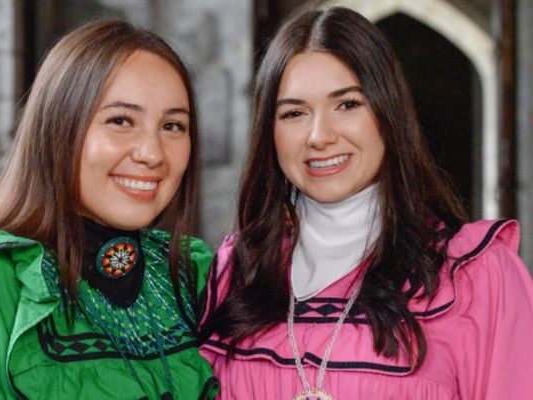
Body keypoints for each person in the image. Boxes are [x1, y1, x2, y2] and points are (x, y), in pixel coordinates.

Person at [199, 5, 533, 399]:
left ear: (387, 114)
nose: (318, 135)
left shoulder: (475, 278)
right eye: (294, 113)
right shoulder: (235, 271)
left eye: (347, 104)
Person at [0, 20, 218, 399]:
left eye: (173, 126)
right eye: (120, 120)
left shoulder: (194, 278)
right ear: (58, 127)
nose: (152, 153)